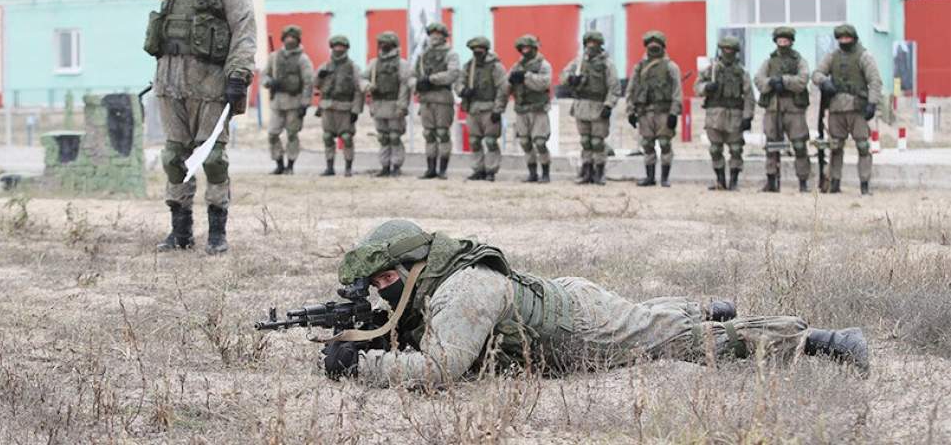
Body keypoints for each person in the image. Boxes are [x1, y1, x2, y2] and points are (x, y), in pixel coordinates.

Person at [321, 220, 871, 387]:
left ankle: (823, 341)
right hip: (570, 300)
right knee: (645, 320)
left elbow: (441, 368)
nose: (383, 289)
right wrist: (374, 333)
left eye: (387, 279)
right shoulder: (438, 278)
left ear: (415, 265)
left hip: (583, 330)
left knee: (680, 345)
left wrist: (361, 364)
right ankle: (700, 305)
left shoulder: (463, 290)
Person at [86, 0, 256, 255]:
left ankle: (217, 233)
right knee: (174, 157)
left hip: (211, 87)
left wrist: (238, 75)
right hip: (169, 85)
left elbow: (244, 33)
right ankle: (180, 232)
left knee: (213, 159)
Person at [811, 24, 883, 195]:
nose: (844, 41)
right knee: (835, 147)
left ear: (853, 39)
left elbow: (875, 81)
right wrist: (824, 82)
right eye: (841, 39)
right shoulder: (832, 56)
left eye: (847, 38)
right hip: (836, 108)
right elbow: (816, 73)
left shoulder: (864, 56)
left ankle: (864, 184)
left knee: (863, 146)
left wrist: (872, 103)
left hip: (857, 108)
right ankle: (834, 183)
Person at [754, 26, 812, 192]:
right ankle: (771, 180)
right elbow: (758, 79)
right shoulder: (769, 61)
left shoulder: (799, 61)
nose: (782, 43)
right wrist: (771, 82)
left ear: (791, 42)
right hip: (773, 107)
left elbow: (803, 79)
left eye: (786, 41)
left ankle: (803, 182)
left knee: (799, 145)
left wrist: (784, 81)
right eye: (780, 41)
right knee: (772, 145)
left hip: (794, 109)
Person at [694, 36, 755, 191]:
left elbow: (749, 95)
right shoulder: (711, 69)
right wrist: (707, 87)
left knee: (736, 149)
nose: (728, 52)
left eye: (731, 50)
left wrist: (748, 116)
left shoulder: (741, 72)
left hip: (734, 115)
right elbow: (697, 87)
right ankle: (720, 180)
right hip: (714, 115)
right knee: (715, 149)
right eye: (725, 49)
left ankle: (733, 181)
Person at [560, 31, 620, 185]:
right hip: (581, 105)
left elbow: (614, 87)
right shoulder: (579, 62)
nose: (591, 46)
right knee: (585, 141)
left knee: (597, 142)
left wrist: (609, 105)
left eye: (594, 43)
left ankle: (599, 171)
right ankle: (586, 170)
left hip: (598, 106)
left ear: (600, 45)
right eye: (588, 43)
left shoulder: (607, 64)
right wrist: (570, 79)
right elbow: (563, 75)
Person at [625, 31, 682, 187]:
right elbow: (631, 90)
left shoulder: (671, 67)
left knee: (665, 143)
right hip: (645, 112)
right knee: (647, 144)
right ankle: (649, 177)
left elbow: (677, 91)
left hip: (664, 112)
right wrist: (630, 111)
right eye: (650, 47)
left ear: (663, 47)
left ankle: (664, 178)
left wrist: (674, 113)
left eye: (657, 47)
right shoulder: (639, 67)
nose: (653, 50)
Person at [456, 36, 509, 181]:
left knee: (490, 141)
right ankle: (478, 169)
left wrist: (498, 109)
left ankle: (491, 170)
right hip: (473, 108)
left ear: (486, 50)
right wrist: (463, 90)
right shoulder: (469, 66)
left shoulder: (495, 66)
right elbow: (459, 82)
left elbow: (503, 88)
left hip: (490, 107)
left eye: (480, 50)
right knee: (474, 141)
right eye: (475, 50)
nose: (477, 53)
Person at [263, 25, 314, 175]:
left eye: (293, 38)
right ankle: (279, 162)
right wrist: (269, 82)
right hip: (277, 102)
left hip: (294, 102)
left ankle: (290, 165)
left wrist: (305, 103)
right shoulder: (274, 57)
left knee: (292, 134)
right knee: (272, 133)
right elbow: (264, 75)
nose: (290, 40)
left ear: (298, 40)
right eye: (287, 37)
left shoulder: (303, 59)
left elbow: (308, 82)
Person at [414, 22, 460, 179]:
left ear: (444, 37)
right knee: (429, 134)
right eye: (431, 34)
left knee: (442, 133)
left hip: (442, 98)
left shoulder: (451, 54)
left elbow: (453, 73)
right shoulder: (423, 55)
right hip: (426, 99)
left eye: (438, 34)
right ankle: (430, 169)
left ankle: (443, 170)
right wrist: (417, 84)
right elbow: (412, 75)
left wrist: (431, 79)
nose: (434, 37)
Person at [314, 36, 364, 177]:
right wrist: (319, 77)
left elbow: (358, 90)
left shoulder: (353, 67)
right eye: (336, 46)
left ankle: (348, 168)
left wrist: (356, 110)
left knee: (347, 137)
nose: (338, 49)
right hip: (328, 107)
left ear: (346, 48)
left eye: (341, 46)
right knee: (327, 137)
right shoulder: (325, 66)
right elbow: (316, 85)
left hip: (345, 108)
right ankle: (329, 167)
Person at [363, 31, 412, 177]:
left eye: (386, 43)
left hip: (394, 103)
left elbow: (404, 86)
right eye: (381, 43)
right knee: (383, 137)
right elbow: (362, 78)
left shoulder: (402, 64)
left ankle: (396, 166)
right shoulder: (374, 63)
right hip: (378, 103)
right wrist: (367, 86)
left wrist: (402, 106)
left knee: (395, 137)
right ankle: (384, 166)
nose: (383, 45)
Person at [507, 35, 554, 183]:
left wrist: (526, 77)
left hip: (538, 109)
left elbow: (544, 83)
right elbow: (507, 85)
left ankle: (545, 173)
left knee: (540, 142)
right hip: (521, 109)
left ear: (534, 48)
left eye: (527, 48)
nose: (525, 50)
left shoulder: (543, 65)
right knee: (524, 142)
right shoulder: (517, 66)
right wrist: (510, 81)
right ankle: (532, 173)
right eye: (522, 48)